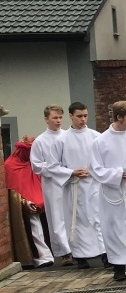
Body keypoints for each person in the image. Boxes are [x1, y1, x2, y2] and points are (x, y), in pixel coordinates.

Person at [50, 102, 105, 269]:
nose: (83, 119)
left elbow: (104, 160)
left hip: (94, 185)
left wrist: (94, 170)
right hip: (74, 186)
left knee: (98, 218)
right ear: (71, 116)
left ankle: (105, 254)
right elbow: (52, 165)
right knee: (77, 220)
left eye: (85, 116)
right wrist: (72, 172)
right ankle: (80, 256)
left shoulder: (96, 136)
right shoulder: (62, 140)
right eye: (79, 116)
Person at [89, 101, 126, 282]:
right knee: (114, 228)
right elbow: (95, 169)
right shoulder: (100, 141)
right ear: (119, 117)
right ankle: (118, 266)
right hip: (112, 192)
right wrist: (118, 174)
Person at [30, 105, 73, 266]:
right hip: (52, 183)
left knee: (70, 214)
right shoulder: (40, 141)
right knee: (56, 217)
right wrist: (56, 170)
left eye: (60, 117)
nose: (58, 121)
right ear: (46, 119)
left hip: (69, 180)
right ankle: (64, 252)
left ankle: (76, 248)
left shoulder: (67, 136)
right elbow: (36, 165)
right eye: (55, 118)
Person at [5, 137, 54, 268]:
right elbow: (11, 188)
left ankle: (44, 255)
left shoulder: (33, 164)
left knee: (38, 227)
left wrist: (39, 201)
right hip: (21, 204)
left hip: (36, 203)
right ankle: (41, 256)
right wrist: (24, 202)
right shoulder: (10, 166)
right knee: (32, 229)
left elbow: (39, 183)